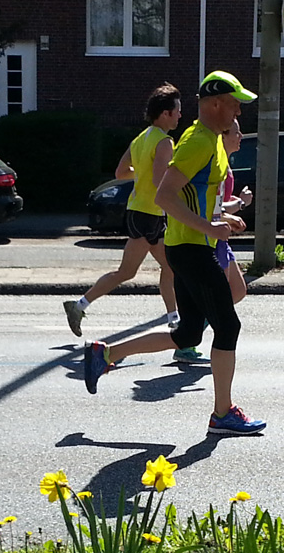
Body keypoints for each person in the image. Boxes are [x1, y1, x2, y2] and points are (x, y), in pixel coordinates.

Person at [83, 71, 266, 436]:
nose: (238, 113)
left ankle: (106, 355)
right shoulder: (198, 142)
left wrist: (222, 218)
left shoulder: (210, 140)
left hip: (189, 247)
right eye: (235, 105)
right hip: (191, 249)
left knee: (187, 335)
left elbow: (194, 197)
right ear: (216, 104)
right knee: (228, 326)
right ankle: (223, 414)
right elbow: (165, 196)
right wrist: (209, 228)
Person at [63, 84, 207, 360]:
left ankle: (80, 305)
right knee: (168, 267)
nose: (180, 115)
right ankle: (176, 324)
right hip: (152, 214)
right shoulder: (165, 142)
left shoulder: (141, 138)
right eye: (177, 111)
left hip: (136, 211)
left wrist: (141, 174)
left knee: (136, 271)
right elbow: (160, 181)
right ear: (165, 113)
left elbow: (121, 172)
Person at [215, 119, 250, 305]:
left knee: (237, 291)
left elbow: (220, 202)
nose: (241, 136)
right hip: (212, 236)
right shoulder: (217, 165)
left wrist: (235, 202)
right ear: (223, 137)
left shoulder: (225, 163)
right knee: (220, 298)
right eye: (236, 132)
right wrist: (240, 204)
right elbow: (213, 207)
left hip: (222, 236)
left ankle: (203, 318)